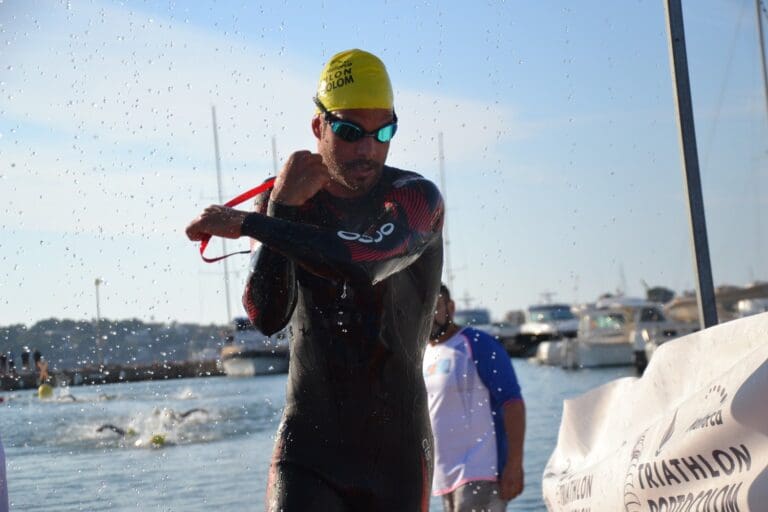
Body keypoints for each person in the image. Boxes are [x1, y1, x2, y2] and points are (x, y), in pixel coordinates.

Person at [186, 48, 444, 511]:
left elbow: (365, 262)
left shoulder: (416, 199)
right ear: (317, 127)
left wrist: (252, 224)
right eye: (349, 132)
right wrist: (280, 209)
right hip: (308, 451)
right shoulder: (284, 201)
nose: (368, 149)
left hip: (397, 454)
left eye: (384, 131)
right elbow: (266, 315)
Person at [423, 284, 526, 512]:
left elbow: (513, 403)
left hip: (481, 472)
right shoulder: (424, 355)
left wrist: (514, 464)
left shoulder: (477, 344)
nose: (429, 316)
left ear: (451, 307)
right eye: (423, 309)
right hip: (444, 479)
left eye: (435, 307)